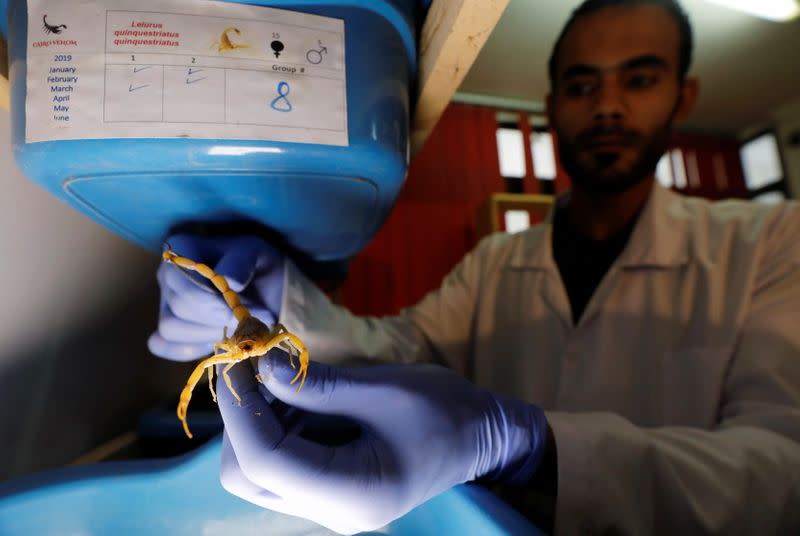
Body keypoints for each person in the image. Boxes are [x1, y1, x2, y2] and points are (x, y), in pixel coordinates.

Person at [148, 0, 800, 533]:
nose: (608, 105)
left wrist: (531, 448)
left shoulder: (773, 241)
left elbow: (782, 472)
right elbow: (395, 352)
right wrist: (280, 301)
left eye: (639, 78)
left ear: (682, 96)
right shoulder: (495, 263)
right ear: (551, 103)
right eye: (582, 83)